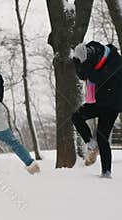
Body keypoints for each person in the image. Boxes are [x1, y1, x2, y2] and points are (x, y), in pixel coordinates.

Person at [71, 41, 122, 178]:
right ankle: (91, 144)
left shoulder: (114, 60)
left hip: (112, 104)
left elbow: (99, 77)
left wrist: (86, 67)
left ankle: (106, 172)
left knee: (102, 136)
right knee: (76, 116)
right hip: (98, 102)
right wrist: (78, 65)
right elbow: (83, 76)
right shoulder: (92, 54)